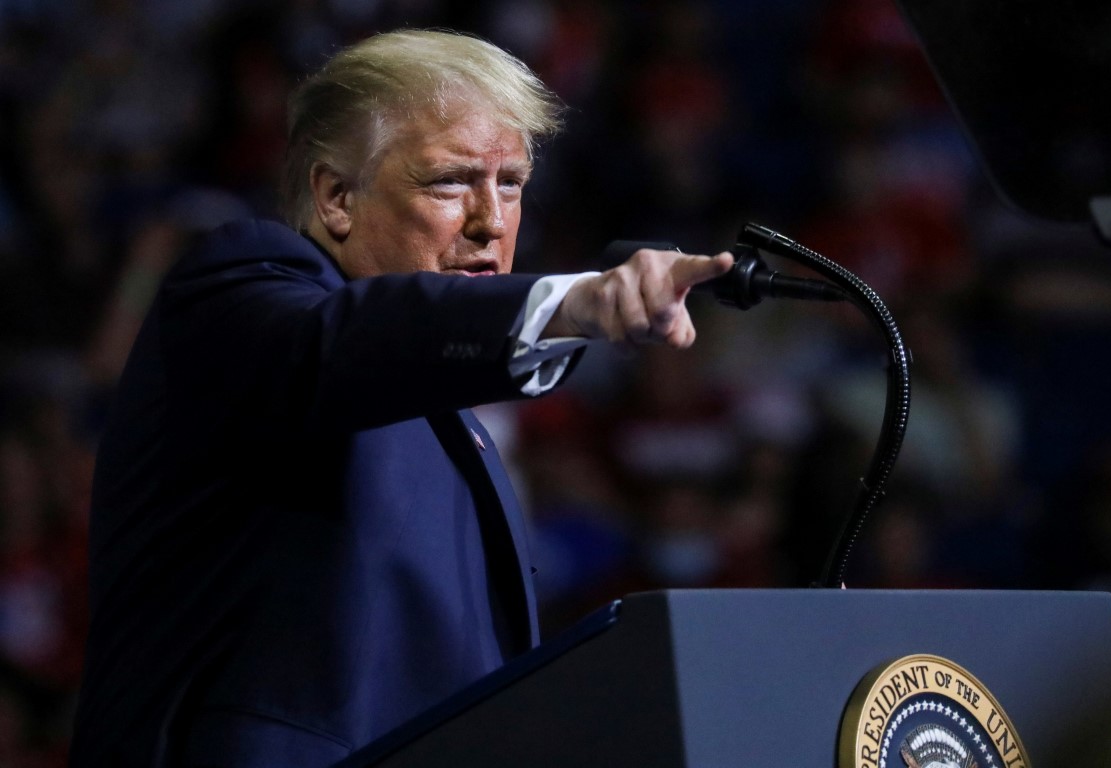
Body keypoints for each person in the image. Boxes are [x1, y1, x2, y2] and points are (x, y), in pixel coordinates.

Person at [68, 28, 732, 768]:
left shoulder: (452, 409)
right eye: (450, 181)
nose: (492, 220)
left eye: (510, 183)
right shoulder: (241, 294)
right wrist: (571, 304)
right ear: (336, 197)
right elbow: (348, 342)